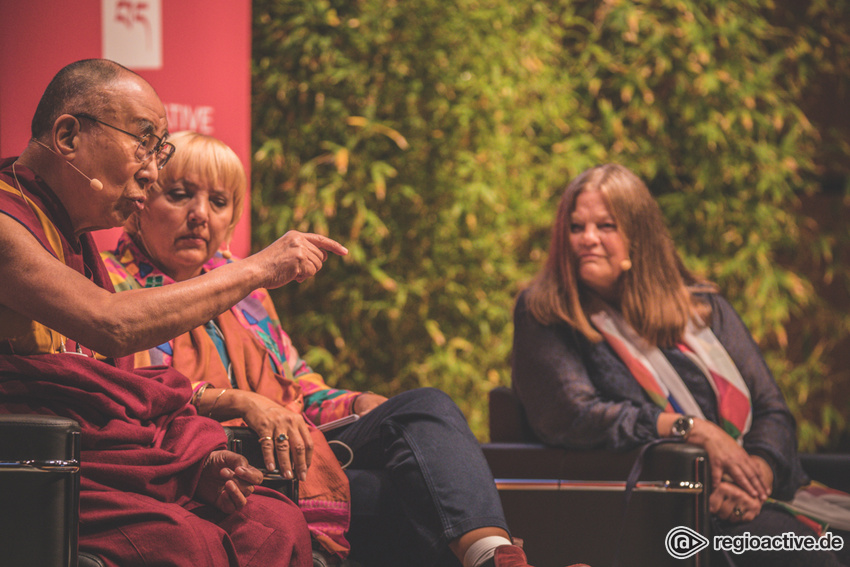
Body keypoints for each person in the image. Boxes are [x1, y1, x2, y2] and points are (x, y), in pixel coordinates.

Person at [101, 131, 589, 567]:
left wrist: (356, 405)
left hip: (290, 451)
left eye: (219, 202)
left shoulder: (245, 290)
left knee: (425, 408)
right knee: (412, 498)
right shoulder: (112, 284)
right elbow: (139, 395)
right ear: (140, 202)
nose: (199, 215)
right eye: (180, 195)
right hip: (211, 464)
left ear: (231, 220)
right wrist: (242, 401)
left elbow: (300, 387)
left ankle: (495, 560)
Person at [0, 59, 348, 566]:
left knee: (271, 524)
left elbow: (115, 388)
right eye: (143, 143)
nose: (151, 170)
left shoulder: (71, 237)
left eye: (158, 151)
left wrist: (193, 461)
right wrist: (255, 268)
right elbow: (110, 324)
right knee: (186, 544)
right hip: (43, 466)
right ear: (69, 135)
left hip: (100, 461)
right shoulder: (8, 225)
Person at [512, 163, 850, 567]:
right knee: (806, 555)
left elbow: (771, 409)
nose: (587, 239)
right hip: (666, 508)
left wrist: (759, 471)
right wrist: (693, 431)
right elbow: (572, 413)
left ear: (639, 235)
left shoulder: (703, 308)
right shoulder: (548, 313)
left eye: (606, 226)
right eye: (575, 227)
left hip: (755, 494)